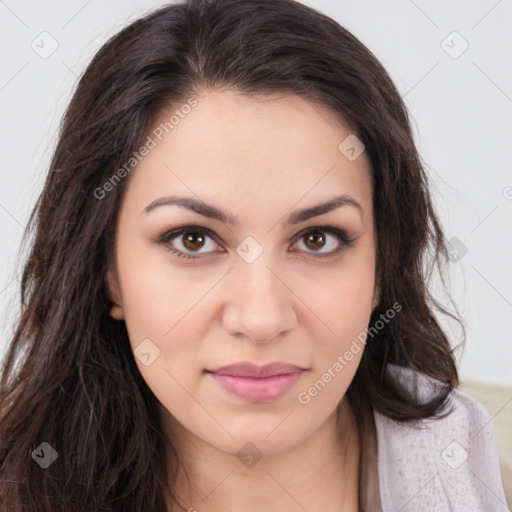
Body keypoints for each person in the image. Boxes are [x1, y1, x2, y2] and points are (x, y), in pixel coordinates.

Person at [0, 0, 507, 511]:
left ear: (383, 265)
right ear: (108, 272)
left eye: (318, 239)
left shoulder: (480, 481)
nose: (262, 319)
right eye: (192, 239)